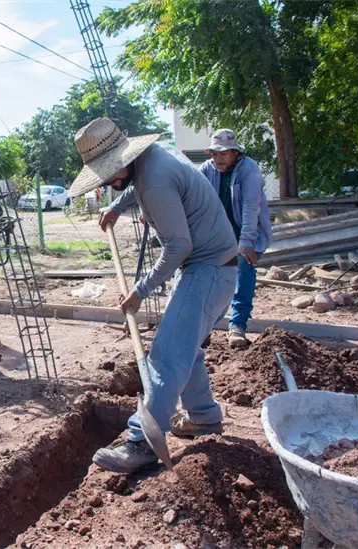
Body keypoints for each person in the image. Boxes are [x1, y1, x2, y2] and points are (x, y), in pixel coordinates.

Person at [73, 117, 238, 474]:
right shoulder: (152, 159)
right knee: (186, 346)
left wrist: (140, 290)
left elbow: (179, 245)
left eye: (109, 177)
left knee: (166, 352)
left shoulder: (155, 182)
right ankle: (205, 417)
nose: (110, 184)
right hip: (210, 265)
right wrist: (118, 207)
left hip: (207, 268)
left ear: (122, 162)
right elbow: (139, 187)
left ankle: (141, 443)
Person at [199, 129, 272, 349]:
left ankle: (237, 325)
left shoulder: (249, 170)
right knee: (208, 277)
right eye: (214, 154)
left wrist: (246, 242)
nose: (218, 158)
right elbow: (190, 192)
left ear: (235, 153)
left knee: (243, 272)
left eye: (223, 154)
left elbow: (251, 207)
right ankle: (203, 328)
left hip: (245, 232)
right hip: (219, 234)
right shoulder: (206, 169)